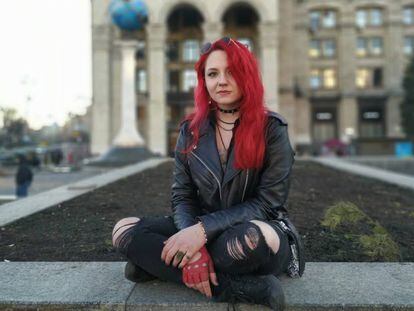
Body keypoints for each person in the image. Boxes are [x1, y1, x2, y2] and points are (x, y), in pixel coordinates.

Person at [112, 37, 305, 310]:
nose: (221, 81)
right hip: (198, 224)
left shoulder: (272, 129)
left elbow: (267, 204)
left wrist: (202, 233)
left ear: (247, 76)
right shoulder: (190, 130)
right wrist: (195, 244)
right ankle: (242, 288)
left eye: (231, 72)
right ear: (204, 81)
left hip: (258, 228)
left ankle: (155, 266)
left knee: (247, 242)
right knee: (123, 230)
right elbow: (182, 196)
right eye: (212, 74)